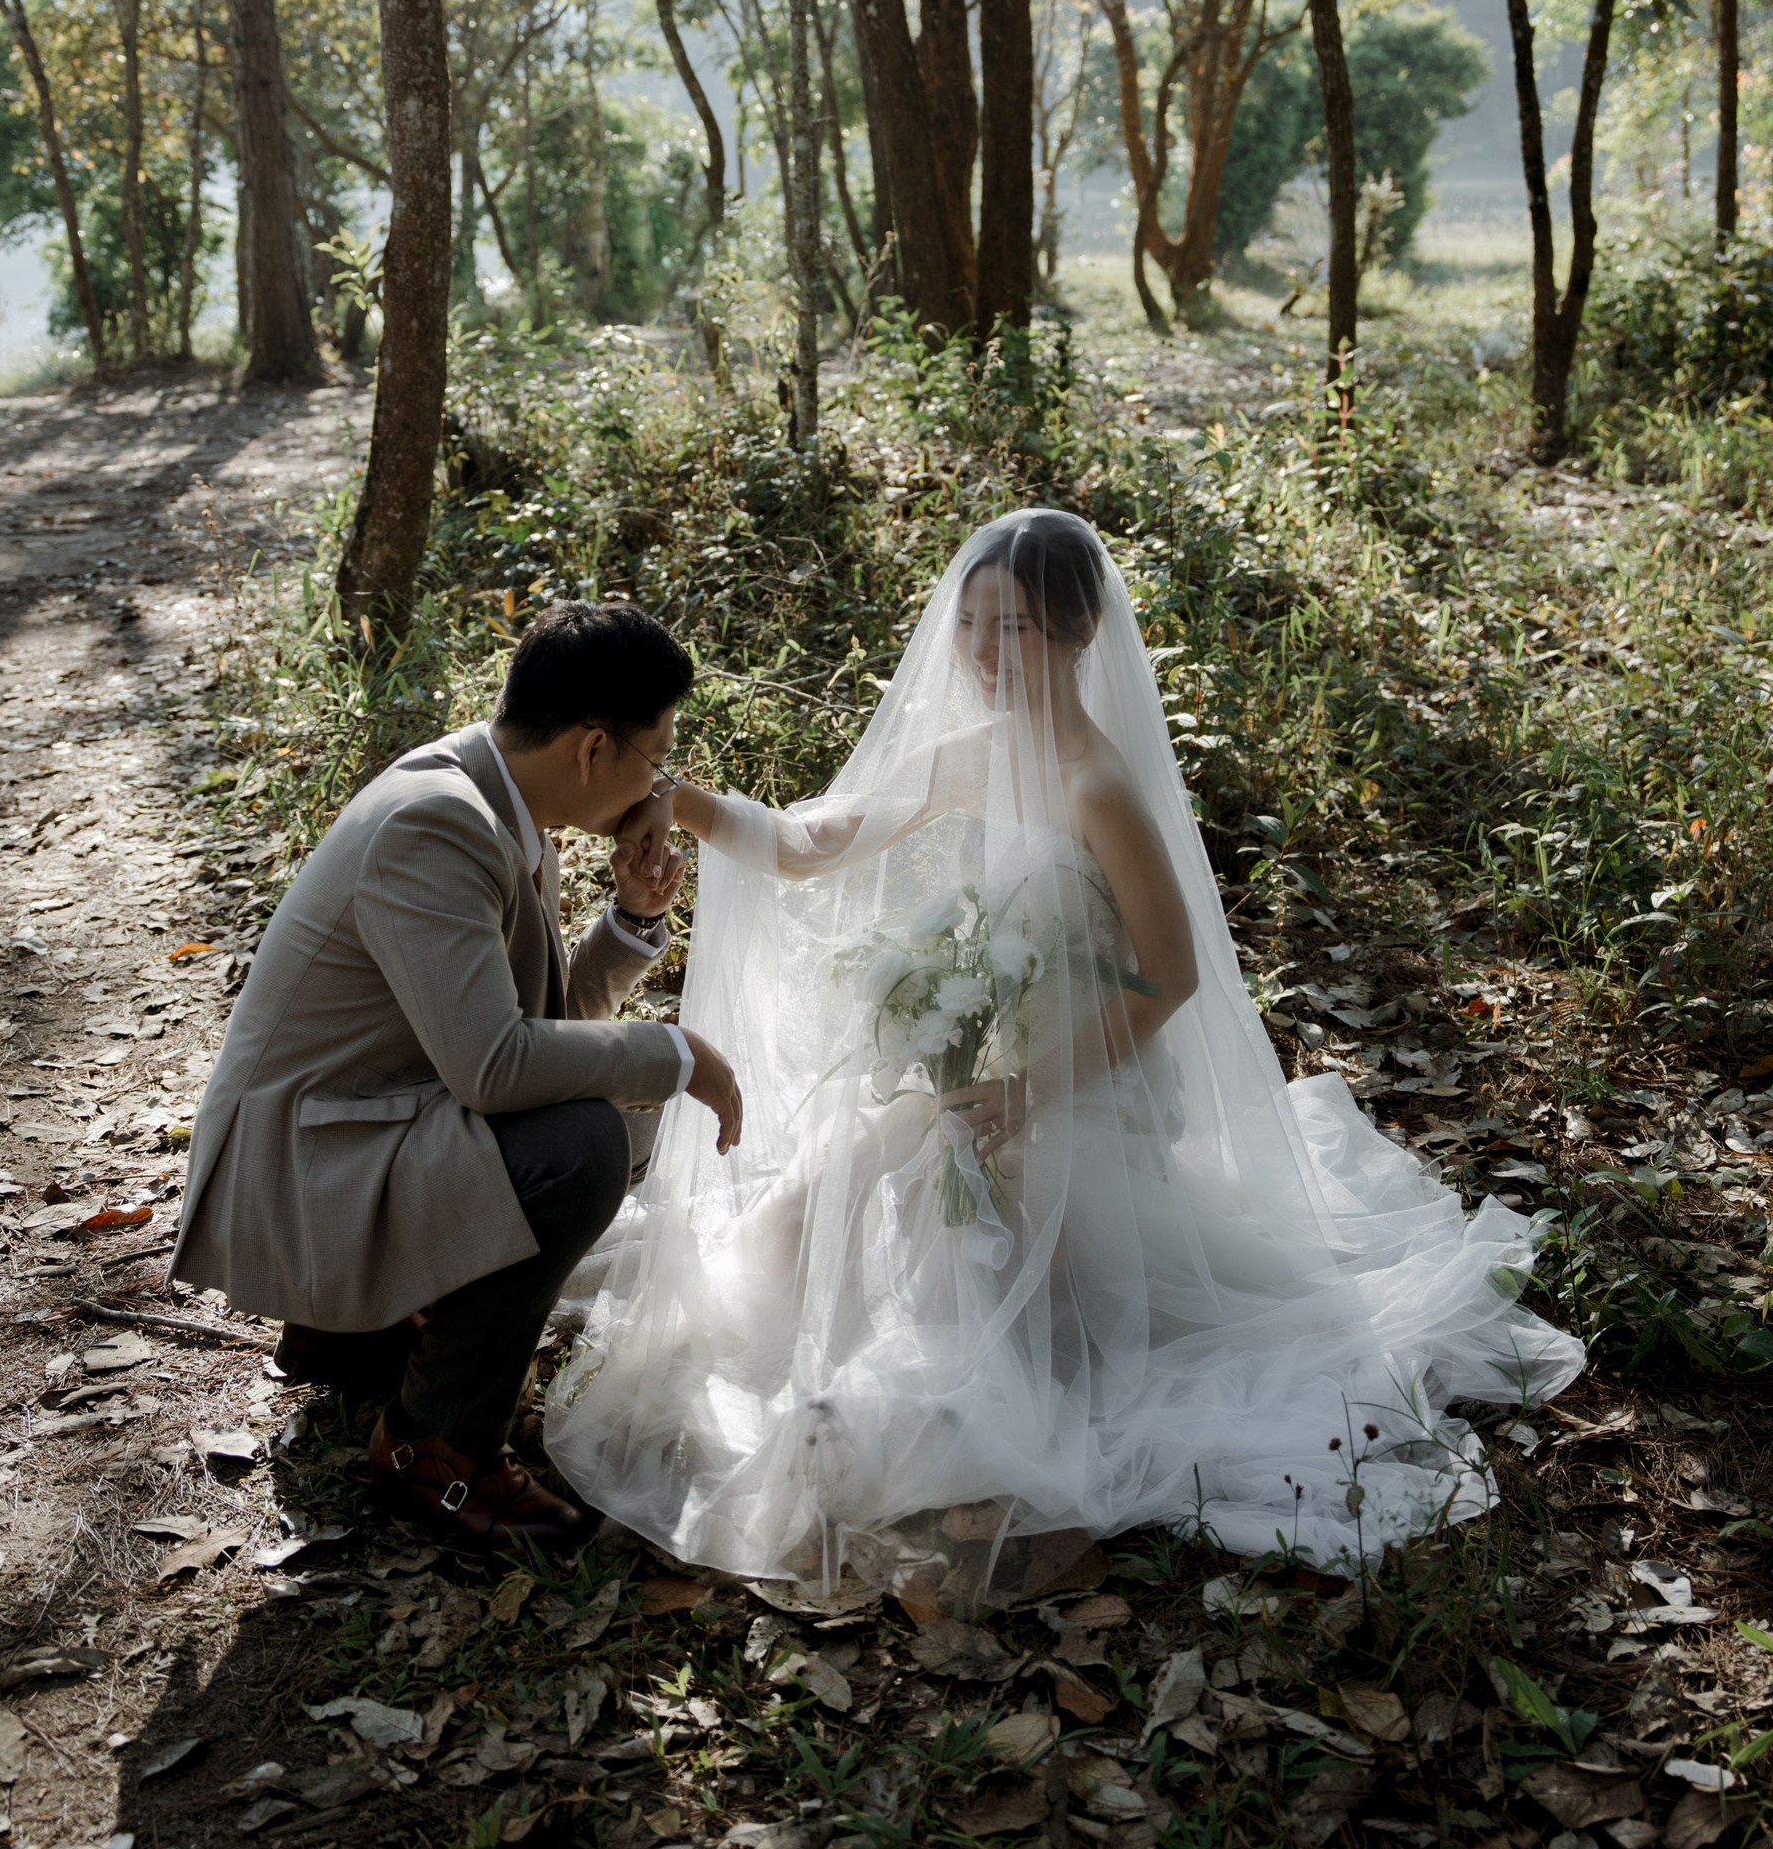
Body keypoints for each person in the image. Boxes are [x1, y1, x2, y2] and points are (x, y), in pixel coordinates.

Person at [545, 508, 1583, 1598]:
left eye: (1016, 629)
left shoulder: (1098, 786)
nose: (984, 653)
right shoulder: (976, 756)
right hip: (983, 1085)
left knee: (965, 1299)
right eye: (971, 625)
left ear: (1080, 632)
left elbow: (1171, 975)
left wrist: (1029, 1090)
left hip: (1082, 1097)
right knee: (795, 1224)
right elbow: (815, 845)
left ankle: (906, 1435)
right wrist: (675, 802)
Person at [169, 599, 741, 1558]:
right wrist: (674, 1053)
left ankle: (355, 1332)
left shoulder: (493, 797)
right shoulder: (438, 824)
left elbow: (531, 1030)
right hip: (298, 1177)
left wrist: (633, 923)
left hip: (356, 1130)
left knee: (582, 1115)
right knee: (584, 1147)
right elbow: (496, 1067)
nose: (664, 784)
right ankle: (433, 1449)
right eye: (661, 757)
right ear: (592, 748)